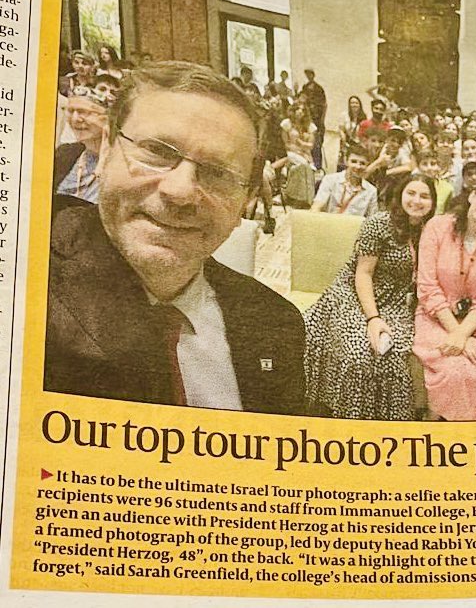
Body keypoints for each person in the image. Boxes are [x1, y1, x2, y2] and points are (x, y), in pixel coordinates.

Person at [44, 62, 305, 413]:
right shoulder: (27, 275)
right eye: (158, 153)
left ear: (249, 197)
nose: (180, 191)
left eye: (217, 173)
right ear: (105, 149)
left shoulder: (275, 322)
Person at [304, 175, 436, 419]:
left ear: (433, 202)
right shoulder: (379, 224)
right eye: (411, 193)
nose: (417, 201)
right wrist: (373, 318)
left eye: (424, 196)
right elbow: (363, 274)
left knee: (395, 354)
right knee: (359, 355)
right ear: (400, 195)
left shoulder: (430, 231)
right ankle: (348, 418)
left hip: (397, 302)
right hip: (355, 294)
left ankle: (384, 421)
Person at [413, 179, 476, 421]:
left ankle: (471, 440)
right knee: (453, 368)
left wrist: (464, 334)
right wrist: (457, 334)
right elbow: (427, 287)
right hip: (435, 318)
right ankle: (435, 426)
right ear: (472, 196)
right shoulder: (438, 226)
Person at [53, 87, 108, 205]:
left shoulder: (121, 162)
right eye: (71, 111)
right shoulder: (65, 153)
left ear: (107, 117)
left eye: (83, 112)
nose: (75, 119)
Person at [311, 144, 378, 216]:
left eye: (362, 163)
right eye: (353, 161)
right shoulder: (330, 180)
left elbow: (372, 218)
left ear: (367, 165)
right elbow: (316, 207)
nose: (358, 166)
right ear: (346, 161)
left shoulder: (371, 191)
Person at [299, 69, 327, 170]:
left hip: (317, 119)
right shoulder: (305, 87)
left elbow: (324, 105)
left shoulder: (319, 88)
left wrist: (322, 120)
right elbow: (301, 101)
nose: (308, 76)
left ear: (313, 75)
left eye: (310, 74)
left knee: (317, 143)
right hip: (307, 118)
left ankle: (318, 166)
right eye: (307, 74)